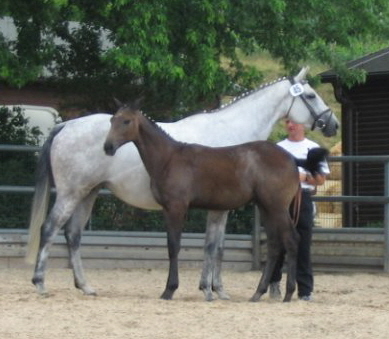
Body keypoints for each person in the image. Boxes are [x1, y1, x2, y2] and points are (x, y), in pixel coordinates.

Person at [269, 119, 330, 301]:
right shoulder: (278, 149)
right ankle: (273, 281)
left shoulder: (312, 148)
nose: (291, 125)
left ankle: (305, 290)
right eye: (288, 122)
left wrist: (299, 176)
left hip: (302, 195)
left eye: (294, 122)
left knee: (303, 242)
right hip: (281, 198)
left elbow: (320, 179)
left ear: (303, 125)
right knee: (278, 240)